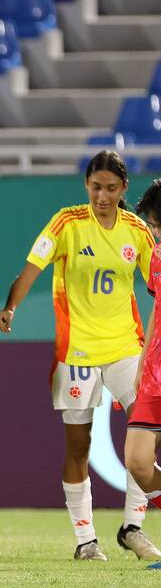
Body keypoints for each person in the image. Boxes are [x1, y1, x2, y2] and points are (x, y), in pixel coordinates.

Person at [0, 151, 160, 562]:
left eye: (110, 188)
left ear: (124, 190)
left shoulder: (138, 230)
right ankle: (86, 539)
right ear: (86, 186)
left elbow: (155, 283)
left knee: (144, 440)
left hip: (126, 347)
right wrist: (11, 305)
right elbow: (32, 269)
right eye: (95, 186)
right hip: (77, 351)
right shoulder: (67, 223)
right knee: (78, 446)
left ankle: (132, 528)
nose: (101, 195)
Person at [124, 179, 161, 566]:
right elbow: (156, 309)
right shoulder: (156, 257)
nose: (152, 231)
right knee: (137, 460)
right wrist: (142, 360)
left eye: (155, 224)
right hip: (154, 373)